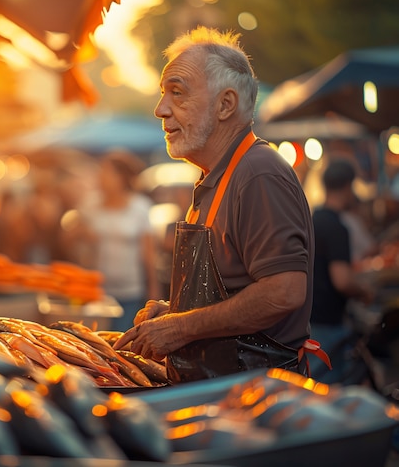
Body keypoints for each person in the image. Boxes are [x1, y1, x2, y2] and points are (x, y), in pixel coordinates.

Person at [113, 26, 322, 383]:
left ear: (225, 104)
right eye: (164, 94)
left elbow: (283, 292)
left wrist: (182, 327)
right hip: (224, 387)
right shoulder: (218, 175)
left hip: (256, 396)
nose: (160, 110)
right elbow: (233, 292)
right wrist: (175, 313)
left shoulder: (258, 172)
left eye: (177, 94)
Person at [69, 149, 160, 331]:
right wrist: (79, 233)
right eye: (101, 172)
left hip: (130, 292)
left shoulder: (140, 208)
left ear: (122, 178)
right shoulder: (90, 204)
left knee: (120, 342)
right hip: (96, 291)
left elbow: (148, 254)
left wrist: (153, 292)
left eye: (107, 173)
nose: (101, 177)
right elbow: (70, 238)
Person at [309, 158, 376, 383]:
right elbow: (342, 280)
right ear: (348, 186)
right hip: (329, 322)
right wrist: (364, 292)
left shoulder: (313, 219)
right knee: (329, 388)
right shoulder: (337, 227)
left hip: (310, 317)